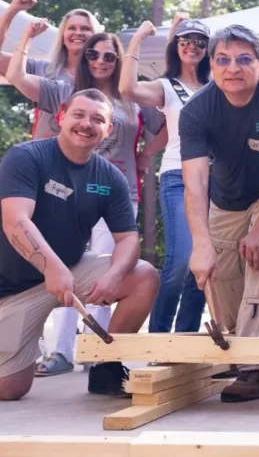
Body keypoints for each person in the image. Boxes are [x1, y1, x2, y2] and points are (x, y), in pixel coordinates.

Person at [8, 27, 162, 376]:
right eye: (79, 115)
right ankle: (52, 352)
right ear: (61, 116)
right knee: (11, 389)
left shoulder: (111, 170)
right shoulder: (28, 154)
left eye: (98, 120)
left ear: (109, 129)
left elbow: (128, 240)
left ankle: (104, 364)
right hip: (15, 284)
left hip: (86, 242)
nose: (86, 124)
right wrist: (52, 268)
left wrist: (114, 276)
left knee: (135, 274)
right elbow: (16, 221)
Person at [180, 24, 259, 403]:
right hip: (226, 196)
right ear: (211, 66)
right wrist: (200, 244)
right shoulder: (196, 110)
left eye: (244, 59)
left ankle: (257, 366)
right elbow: (195, 182)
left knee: (257, 254)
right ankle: (238, 347)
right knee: (218, 267)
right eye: (223, 60)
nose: (233, 68)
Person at [120, 18, 211, 333]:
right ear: (177, 46)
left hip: (215, 182)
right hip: (177, 176)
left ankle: (186, 338)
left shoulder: (217, 86)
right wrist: (138, 41)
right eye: (185, 40)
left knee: (205, 263)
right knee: (181, 259)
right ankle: (159, 338)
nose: (192, 46)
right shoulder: (167, 86)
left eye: (200, 41)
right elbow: (127, 89)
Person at [0, 0, 102, 141]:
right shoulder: (44, 70)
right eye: (71, 28)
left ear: (96, 36)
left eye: (86, 28)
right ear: (62, 36)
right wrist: (12, 10)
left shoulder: (105, 76)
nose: (78, 33)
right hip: (43, 156)